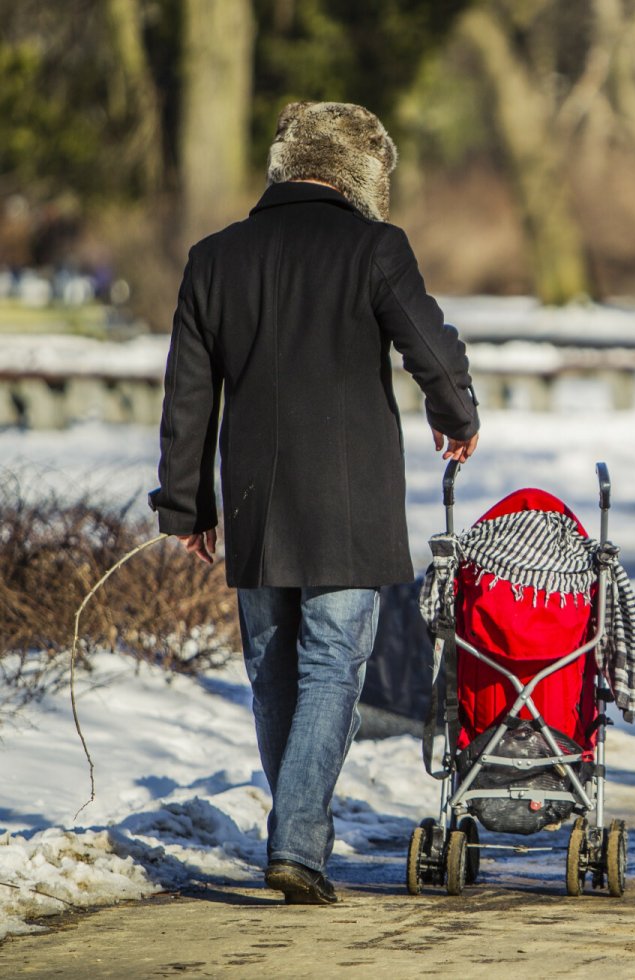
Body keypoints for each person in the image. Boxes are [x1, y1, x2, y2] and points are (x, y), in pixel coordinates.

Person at [151, 101, 480, 905]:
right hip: (348, 502)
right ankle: (298, 842)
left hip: (256, 502)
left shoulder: (214, 257)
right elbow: (430, 347)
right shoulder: (375, 247)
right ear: (361, 173)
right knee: (332, 664)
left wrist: (187, 503)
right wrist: (458, 415)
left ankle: (295, 834)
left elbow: (188, 393)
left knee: (273, 672)